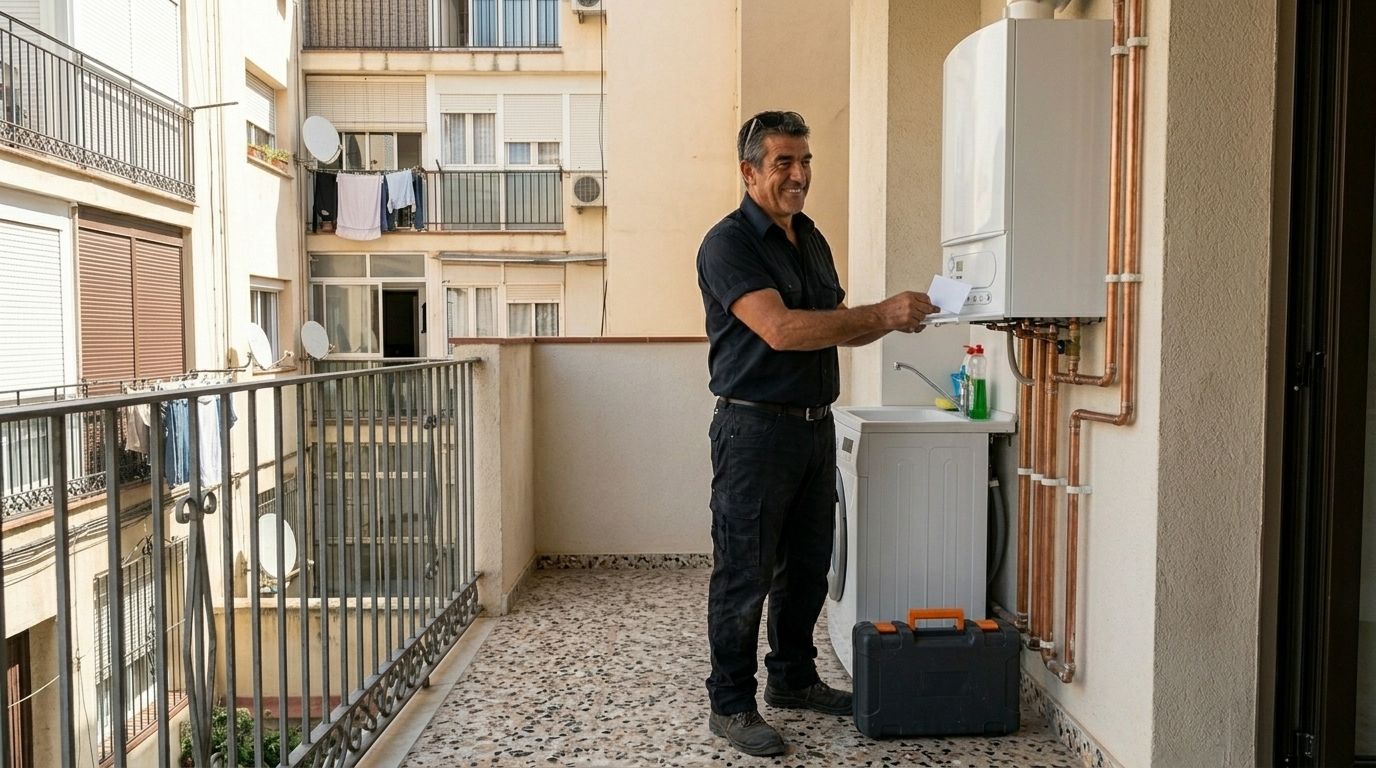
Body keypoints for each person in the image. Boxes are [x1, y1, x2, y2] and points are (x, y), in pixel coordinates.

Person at [696, 110, 939, 757]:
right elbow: (781, 330)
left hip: (813, 427)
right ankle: (730, 704)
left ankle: (794, 679)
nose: (799, 174)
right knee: (744, 573)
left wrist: (890, 320)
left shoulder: (810, 239)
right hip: (753, 431)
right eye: (784, 162)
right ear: (749, 172)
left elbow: (834, 324)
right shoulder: (729, 244)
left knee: (806, 568)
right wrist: (880, 311)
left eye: (805, 161)